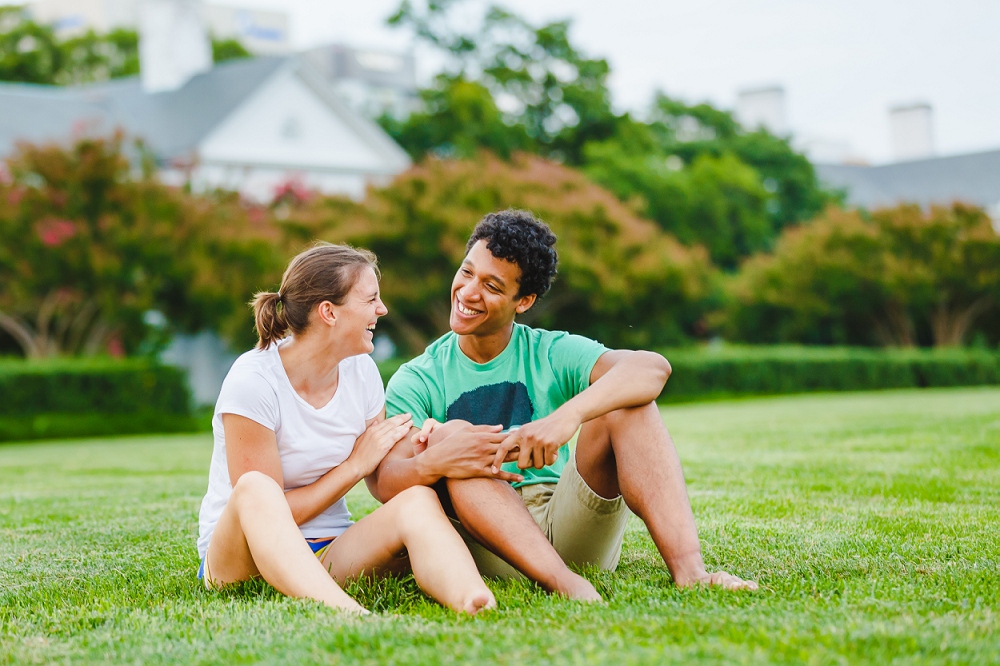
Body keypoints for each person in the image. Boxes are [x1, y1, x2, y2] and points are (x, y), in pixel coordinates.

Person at [370, 210, 757, 600]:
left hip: (569, 523)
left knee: (627, 403)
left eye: (491, 285)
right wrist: (441, 458)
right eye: (467, 272)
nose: (469, 292)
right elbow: (386, 483)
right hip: (487, 544)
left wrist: (566, 418)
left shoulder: (549, 351)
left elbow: (652, 368)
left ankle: (691, 572)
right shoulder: (417, 377)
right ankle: (565, 585)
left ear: (524, 301)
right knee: (454, 438)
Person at [195, 243, 496, 615]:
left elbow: (384, 467)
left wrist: (424, 439)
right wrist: (354, 465)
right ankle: (347, 613)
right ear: (329, 312)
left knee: (417, 502)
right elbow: (270, 510)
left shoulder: (361, 370)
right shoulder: (253, 381)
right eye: (371, 299)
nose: (382, 310)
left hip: (329, 548)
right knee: (256, 488)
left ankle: (472, 598)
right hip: (241, 560)